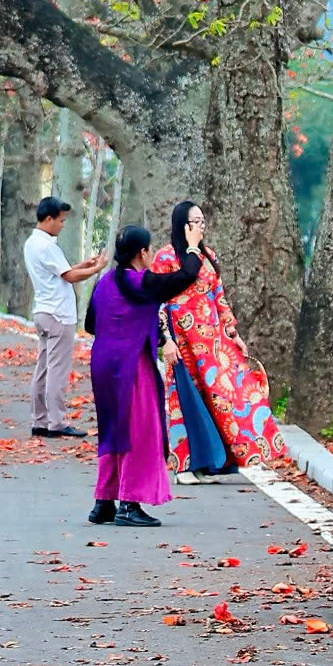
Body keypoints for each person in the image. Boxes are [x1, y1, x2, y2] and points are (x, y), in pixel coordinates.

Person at [152, 201, 286, 469]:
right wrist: (165, 338)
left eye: (203, 221)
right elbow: (158, 301)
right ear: (183, 225)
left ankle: (217, 460)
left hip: (214, 342)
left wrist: (232, 332)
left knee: (224, 397)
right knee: (185, 398)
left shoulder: (208, 256)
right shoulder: (166, 258)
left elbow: (218, 296)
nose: (202, 226)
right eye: (196, 221)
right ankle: (185, 463)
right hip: (183, 339)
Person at [86, 224, 201, 526]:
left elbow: (90, 323)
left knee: (113, 431)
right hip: (131, 366)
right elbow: (186, 276)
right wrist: (191, 247)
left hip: (102, 364)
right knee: (139, 431)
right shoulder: (141, 282)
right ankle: (129, 503)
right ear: (143, 252)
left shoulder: (105, 282)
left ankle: (104, 502)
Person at [25, 194, 102, 438]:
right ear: (49, 219)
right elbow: (69, 277)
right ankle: (56, 422)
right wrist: (97, 268)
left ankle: (40, 419)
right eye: (61, 220)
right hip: (59, 315)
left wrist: (84, 264)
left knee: (43, 370)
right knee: (57, 371)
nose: (62, 225)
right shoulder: (48, 245)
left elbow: (62, 271)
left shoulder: (32, 243)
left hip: (43, 311)